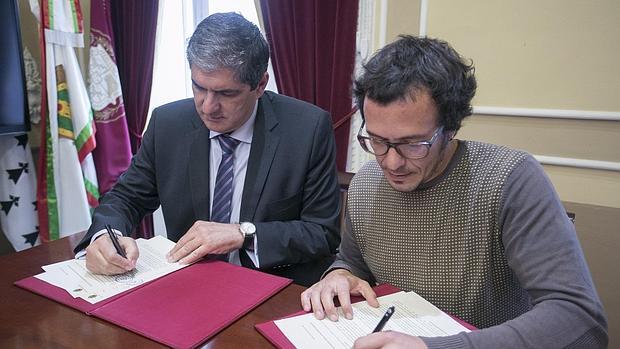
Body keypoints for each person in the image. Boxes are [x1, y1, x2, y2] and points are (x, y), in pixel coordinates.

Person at [301, 35, 608, 348]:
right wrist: (338, 276)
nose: (391, 162)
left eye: (412, 144)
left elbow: (580, 319)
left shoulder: (510, 179)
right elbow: (352, 262)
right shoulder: (366, 182)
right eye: (378, 141)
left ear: (450, 127)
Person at [74, 12, 341, 286]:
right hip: (189, 286)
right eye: (199, 87)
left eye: (226, 94)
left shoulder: (306, 129)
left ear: (260, 84)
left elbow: (322, 233)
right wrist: (106, 236)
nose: (207, 106)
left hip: (270, 288)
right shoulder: (168, 124)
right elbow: (126, 197)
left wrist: (244, 234)